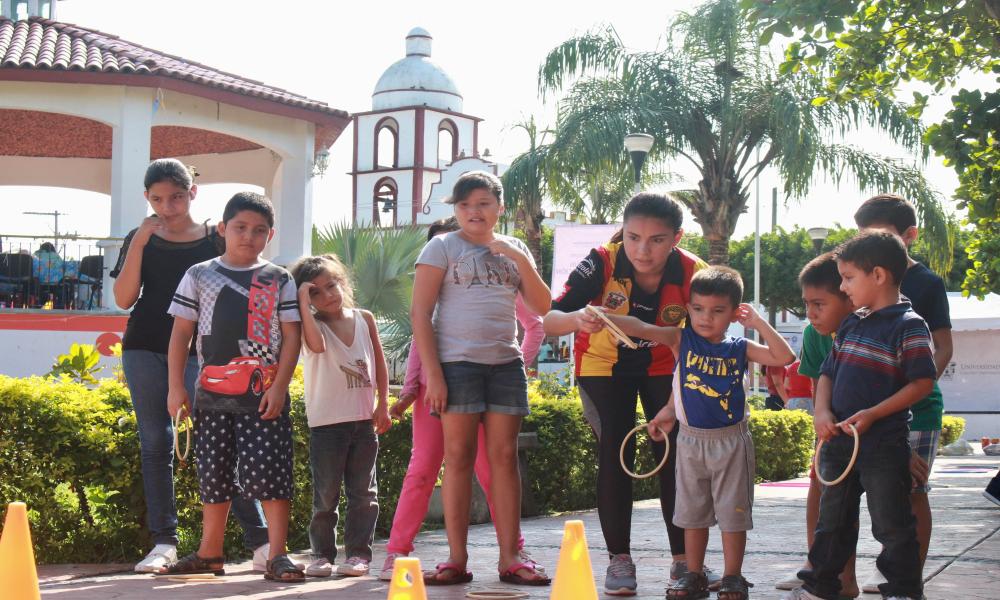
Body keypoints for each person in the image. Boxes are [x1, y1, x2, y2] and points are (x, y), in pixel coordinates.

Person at [543, 192, 709, 595]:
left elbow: (705, 336)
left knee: (672, 456)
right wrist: (577, 319)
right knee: (616, 450)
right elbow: (550, 319)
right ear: (623, 233)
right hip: (603, 365)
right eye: (634, 237)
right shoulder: (601, 260)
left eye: (656, 240)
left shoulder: (694, 272)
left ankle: (683, 562)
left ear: (677, 238)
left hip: (665, 367)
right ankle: (620, 560)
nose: (642, 250)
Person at [110, 159, 270, 573]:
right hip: (144, 346)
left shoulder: (214, 238)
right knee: (155, 443)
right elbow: (124, 299)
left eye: (177, 196)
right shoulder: (139, 237)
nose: (168, 206)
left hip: (206, 353)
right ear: (147, 198)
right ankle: (163, 543)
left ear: (192, 193)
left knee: (221, 443)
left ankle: (261, 542)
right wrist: (141, 242)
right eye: (158, 199)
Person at [609, 266, 795, 600]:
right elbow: (641, 327)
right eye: (697, 309)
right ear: (689, 307)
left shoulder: (740, 346)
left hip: (731, 443)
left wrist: (758, 323)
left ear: (735, 313)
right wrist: (600, 317)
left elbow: (784, 356)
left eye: (717, 311)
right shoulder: (682, 338)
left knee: (733, 513)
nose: (705, 317)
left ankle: (732, 577)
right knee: (691, 514)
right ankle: (693, 575)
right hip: (691, 441)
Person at [380, 217, 544, 580]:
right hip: (436, 386)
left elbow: (536, 323)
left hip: (491, 379)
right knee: (425, 467)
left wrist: (516, 367)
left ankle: (513, 550)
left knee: (494, 465)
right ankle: (398, 551)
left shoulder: (497, 270)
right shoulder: (434, 274)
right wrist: (411, 389)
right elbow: (419, 342)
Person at [411, 171, 551, 586]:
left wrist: (519, 256)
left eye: (484, 203)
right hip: (456, 366)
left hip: (505, 365)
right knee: (456, 459)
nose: (475, 211)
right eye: (465, 204)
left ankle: (512, 557)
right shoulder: (442, 246)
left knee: (504, 459)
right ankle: (455, 559)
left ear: (499, 208)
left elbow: (542, 305)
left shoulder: (515, 248)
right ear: (455, 210)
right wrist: (433, 374)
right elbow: (420, 314)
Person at [782, 231, 936, 600]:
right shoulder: (852, 323)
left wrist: (873, 413)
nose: (844, 286)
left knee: (892, 524)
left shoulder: (909, 324)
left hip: (883, 444)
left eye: (849, 278)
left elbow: (922, 383)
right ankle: (822, 586)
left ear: (879, 275)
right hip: (839, 443)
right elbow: (827, 374)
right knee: (831, 522)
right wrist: (821, 411)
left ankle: (902, 590)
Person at [161, 192, 303, 582]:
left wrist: (280, 387)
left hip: (265, 399)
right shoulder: (198, 274)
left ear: (270, 234)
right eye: (240, 227)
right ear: (223, 229)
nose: (248, 236)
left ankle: (277, 555)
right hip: (211, 396)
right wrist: (177, 387)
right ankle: (210, 553)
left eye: (259, 230)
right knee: (213, 474)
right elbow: (181, 334)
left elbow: (292, 337)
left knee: (272, 474)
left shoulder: (279, 278)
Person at [854, 194, 953, 591]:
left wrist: (916, 387)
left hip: (918, 409)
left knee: (913, 491)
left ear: (909, 236)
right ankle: (835, 571)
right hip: (865, 409)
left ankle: (909, 577)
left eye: (880, 234)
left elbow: (943, 347)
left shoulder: (926, 283)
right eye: (862, 234)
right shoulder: (857, 275)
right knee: (859, 494)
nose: (870, 242)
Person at [290, 254, 391, 578]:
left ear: (342, 283)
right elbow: (317, 347)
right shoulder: (313, 326)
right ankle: (322, 555)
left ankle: (359, 555)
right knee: (326, 496)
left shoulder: (365, 318)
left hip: (362, 423)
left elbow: (378, 364)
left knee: (364, 494)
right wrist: (303, 305)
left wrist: (383, 404)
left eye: (331, 285)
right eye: (315, 292)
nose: (327, 295)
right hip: (327, 425)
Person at [775, 252, 858, 596]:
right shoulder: (814, 335)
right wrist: (821, 425)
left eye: (819, 304)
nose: (811, 313)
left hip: (874, 431)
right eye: (807, 304)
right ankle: (823, 569)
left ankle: (901, 582)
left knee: (889, 509)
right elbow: (814, 386)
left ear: (849, 297)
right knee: (823, 493)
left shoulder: (874, 329)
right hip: (831, 432)